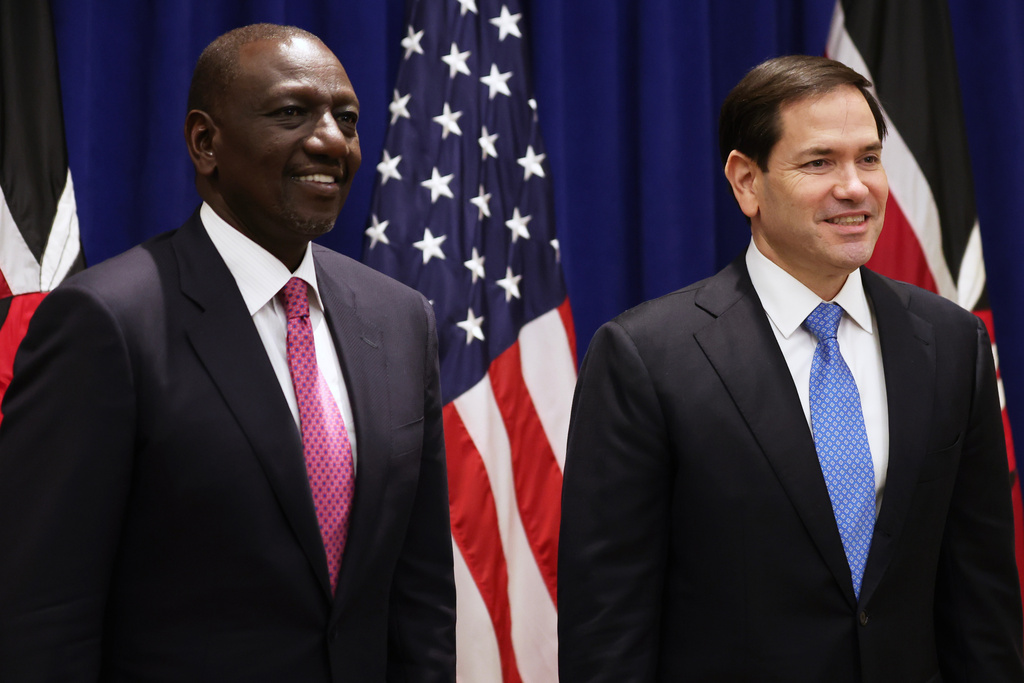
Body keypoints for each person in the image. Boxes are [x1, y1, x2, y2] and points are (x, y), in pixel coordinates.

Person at [0, 24, 455, 682]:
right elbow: (42, 613)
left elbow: (421, 600)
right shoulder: (108, 322)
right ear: (205, 142)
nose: (332, 141)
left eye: (347, 118)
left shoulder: (400, 317)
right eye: (293, 113)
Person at [558, 55, 1024, 682]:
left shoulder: (951, 341)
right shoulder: (646, 357)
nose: (856, 186)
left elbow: (982, 603)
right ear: (746, 181)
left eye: (868, 158)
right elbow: (607, 629)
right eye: (819, 162)